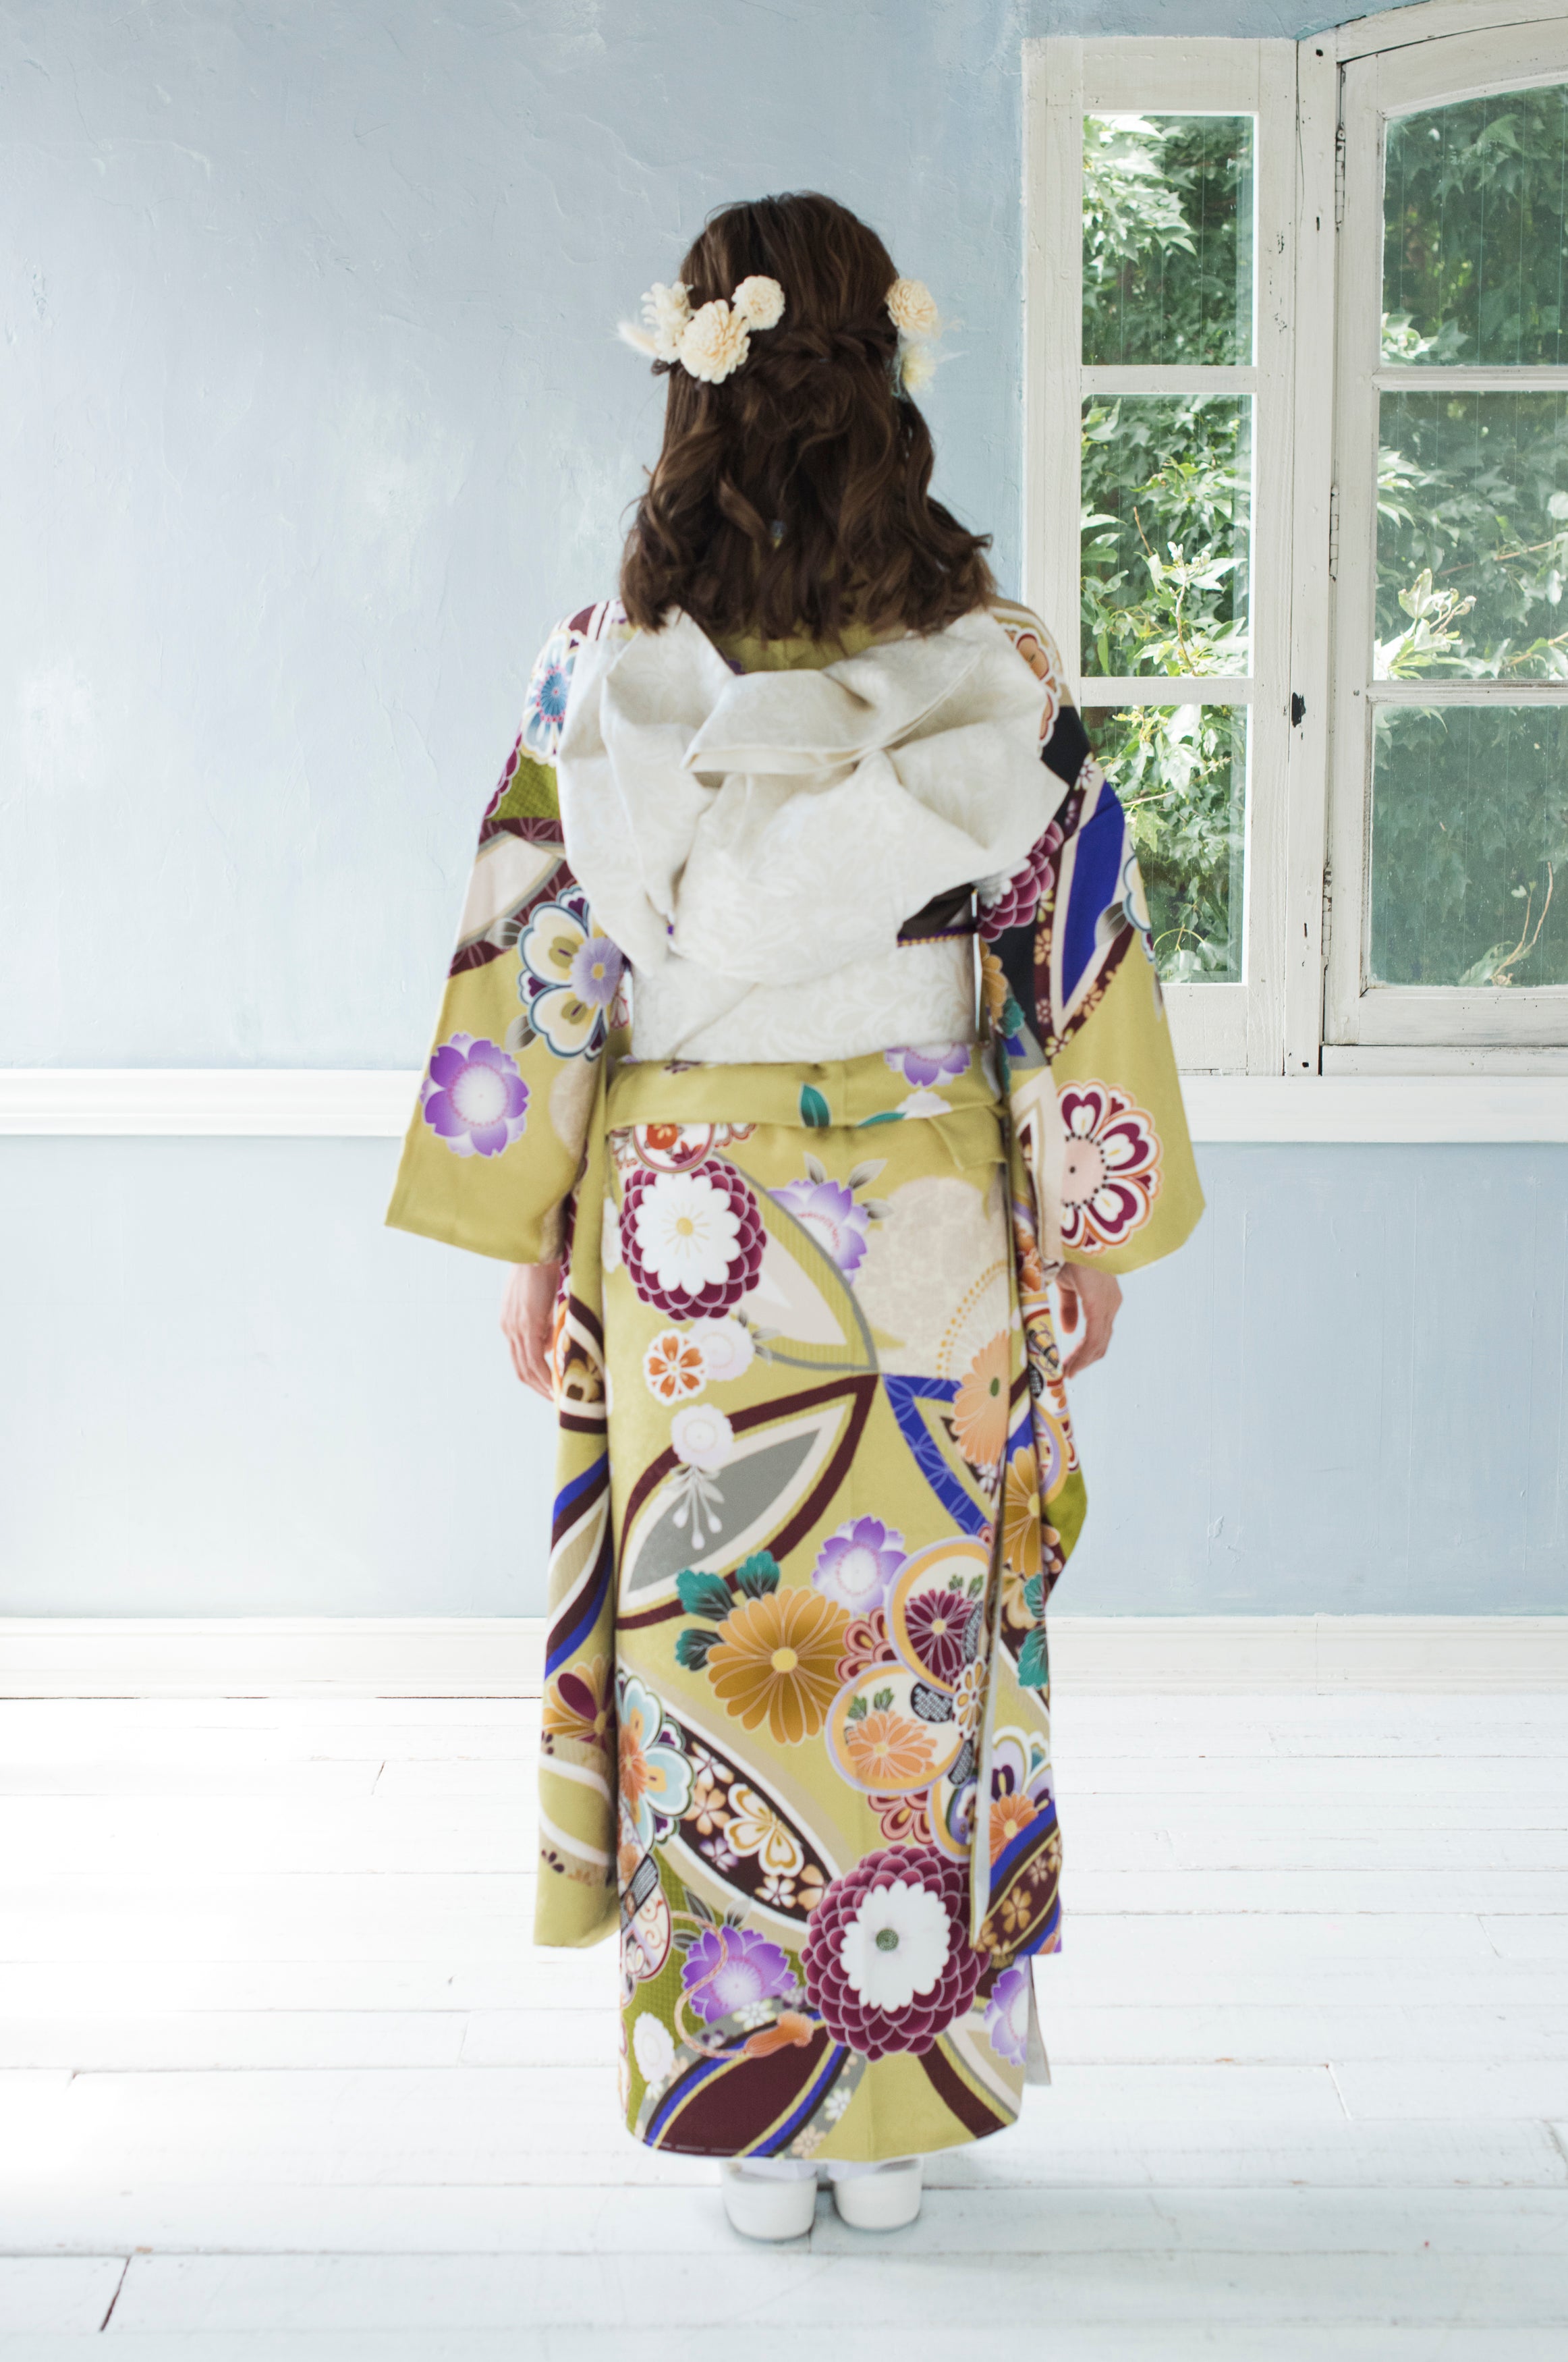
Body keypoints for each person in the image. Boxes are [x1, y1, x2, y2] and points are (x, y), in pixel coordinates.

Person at [387, 191, 1202, 2241]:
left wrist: (532, 1228)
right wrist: (1081, 1216)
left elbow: (543, 957)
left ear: (691, 384)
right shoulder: (993, 674)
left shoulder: (603, 678)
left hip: (693, 1247)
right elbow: (1070, 949)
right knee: (913, 1658)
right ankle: (897, 2104)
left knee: (722, 1650)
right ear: (888, 382)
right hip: (924, 1232)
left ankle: (747, 2098)